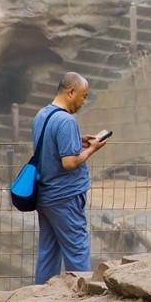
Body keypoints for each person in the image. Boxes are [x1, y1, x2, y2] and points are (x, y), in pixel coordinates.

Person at [33, 72, 109, 284]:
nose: (84, 101)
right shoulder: (66, 120)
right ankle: (82, 293)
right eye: (83, 96)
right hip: (65, 196)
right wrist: (92, 149)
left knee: (48, 251)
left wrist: (78, 140)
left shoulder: (42, 115)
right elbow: (69, 162)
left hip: (45, 194)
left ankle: (39, 295)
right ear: (71, 92)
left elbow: (51, 147)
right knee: (77, 248)